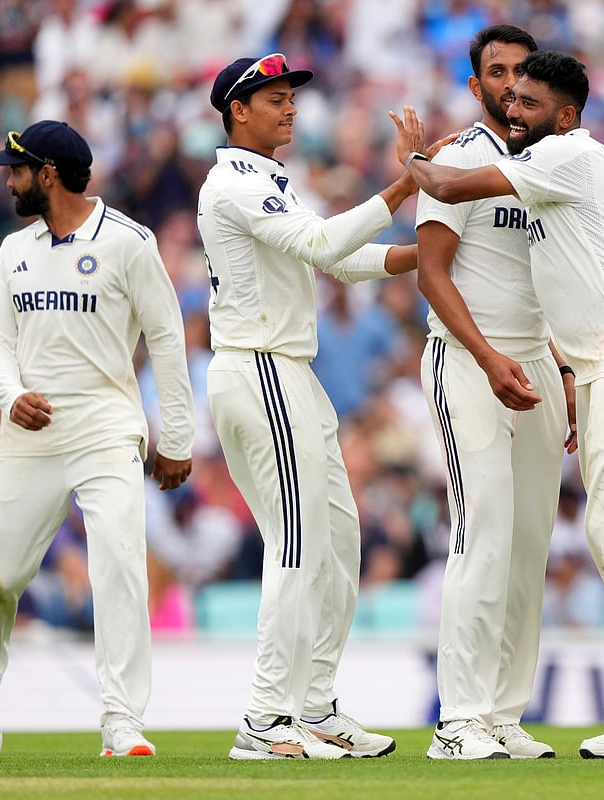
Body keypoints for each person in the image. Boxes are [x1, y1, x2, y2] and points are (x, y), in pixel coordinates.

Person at [391, 50, 604, 759]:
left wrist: (408, 154)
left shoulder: (566, 155)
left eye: (528, 100)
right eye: (505, 91)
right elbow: (443, 260)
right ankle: (507, 716)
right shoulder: (557, 162)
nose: (512, 108)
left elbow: (440, 179)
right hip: (593, 364)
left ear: (563, 114)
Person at [199, 52, 421, 760]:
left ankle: (315, 708)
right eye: (275, 98)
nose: (291, 107)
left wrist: (432, 251)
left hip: (289, 374)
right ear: (238, 109)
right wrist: (405, 184)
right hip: (260, 369)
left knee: (338, 548)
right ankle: (265, 721)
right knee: (297, 545)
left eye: (293, 96)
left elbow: (336, 261)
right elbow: (326, 243)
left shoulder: (270, 182)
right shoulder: (233, 183)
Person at [0, 120, 195, 757]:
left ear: (47, 174)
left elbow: (168, 337)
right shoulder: (15, 250)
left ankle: (122, 721)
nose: (7, 181)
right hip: (31, 432)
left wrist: (174, 437)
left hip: (106, 427)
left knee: (119, 563)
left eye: (16, 169)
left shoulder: (128, 242)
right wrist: (11, 397)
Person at [416, 25, 573, 761]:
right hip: (468, 362)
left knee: (528, 546)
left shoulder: (552, 162)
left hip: (538, 365)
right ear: (476, 87)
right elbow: (431, 273)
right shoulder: (457, 157)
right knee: (482, 535)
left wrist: (563, 370)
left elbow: (562, 280)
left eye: (522, 71)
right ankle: (460, 719)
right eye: (497, 72)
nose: (512, 84)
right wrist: (486, 358)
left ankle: (505, 714)